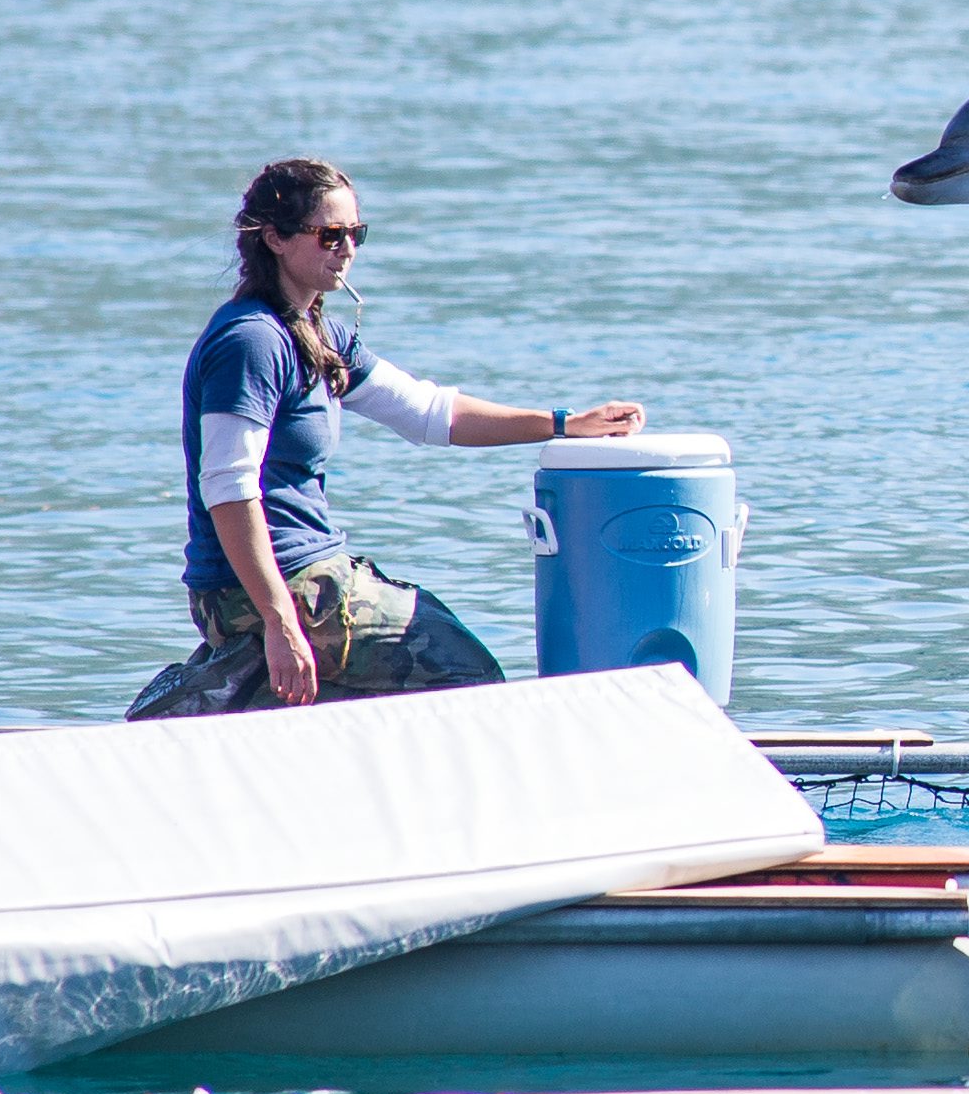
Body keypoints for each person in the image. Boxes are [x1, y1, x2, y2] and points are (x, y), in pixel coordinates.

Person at [129, 158, 646, 719]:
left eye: (357, 233)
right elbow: (229, 490)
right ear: (275, 238)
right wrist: (279, 621)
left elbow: (431, 413)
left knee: (427, 667)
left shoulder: (316, 334)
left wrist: (563, 423)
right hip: (263, 587)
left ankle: (242, 694)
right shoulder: (250, 343)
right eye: (330, 235)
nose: (347, 249)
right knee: (467, 677)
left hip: (303, 574)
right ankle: (224, 697)